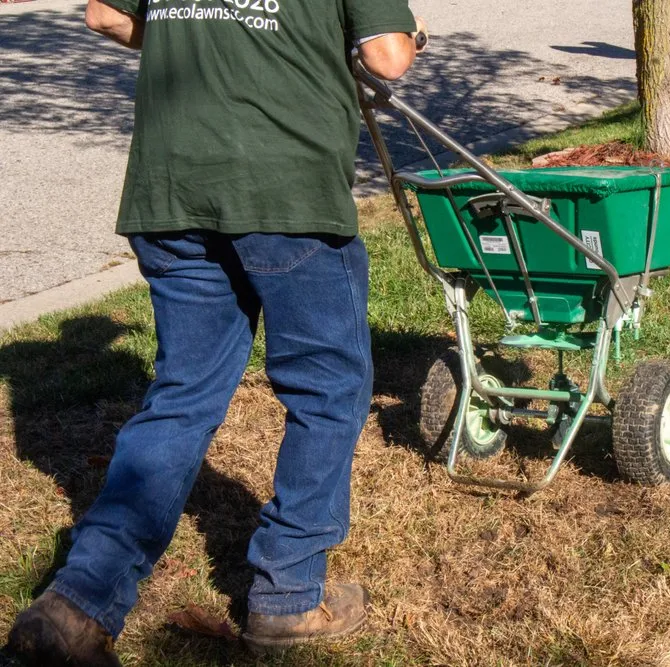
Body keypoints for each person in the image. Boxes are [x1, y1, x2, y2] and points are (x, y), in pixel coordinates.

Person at [6, 0, 419, 663]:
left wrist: (200, 34)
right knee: (328, 387)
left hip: (174, 186)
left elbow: (104, 17)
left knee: (182, 394)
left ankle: (76, 604)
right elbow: (388, 55)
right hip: (286, 187)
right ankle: (288, 594)